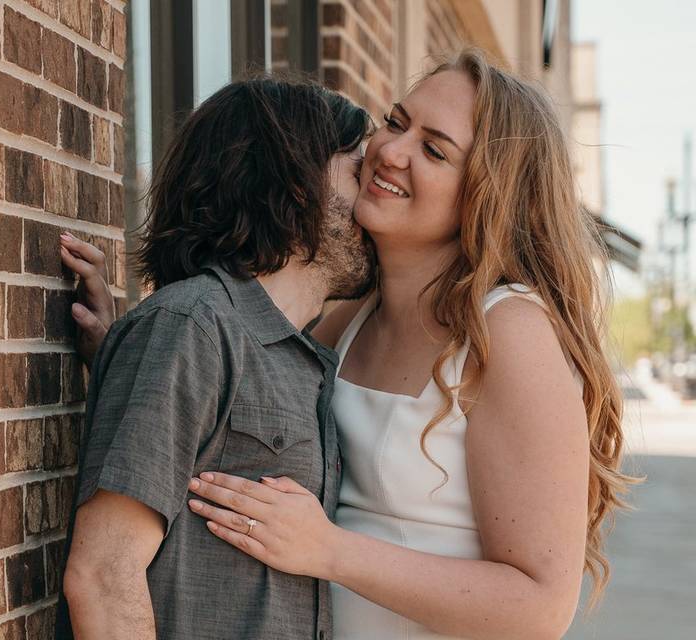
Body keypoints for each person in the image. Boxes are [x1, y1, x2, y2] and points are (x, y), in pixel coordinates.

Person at [65, 50, 636, 639]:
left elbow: (540, 606)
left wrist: (330, 550)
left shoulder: (508, 331)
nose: (389, 152)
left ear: (487, 196)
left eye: (435, 150)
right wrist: (130, 351)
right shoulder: (349, 318)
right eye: (395, 122)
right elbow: (232, 397)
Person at [61, 76, 377, 640]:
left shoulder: (289, 353)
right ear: (297, 181)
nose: (372, 202)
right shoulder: (192, 328)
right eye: (357, 172)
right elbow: (105, 575)